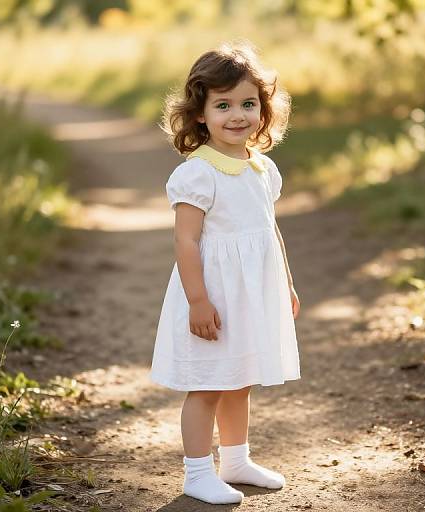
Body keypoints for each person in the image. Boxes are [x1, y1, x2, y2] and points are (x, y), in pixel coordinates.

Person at [150, 41, 301, 505]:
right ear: (199, 113)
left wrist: (288, 284)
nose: (237, 115)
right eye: (223, 105)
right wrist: (198, 300)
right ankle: (197, 472)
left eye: (248, 103)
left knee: (241, 377)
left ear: (264, 109)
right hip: (213, 295)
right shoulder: (199, 173)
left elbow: (269, 231)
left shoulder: (261, 167)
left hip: (251, 293)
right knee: (209, 383)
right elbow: (186, 241)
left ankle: (236, 459)